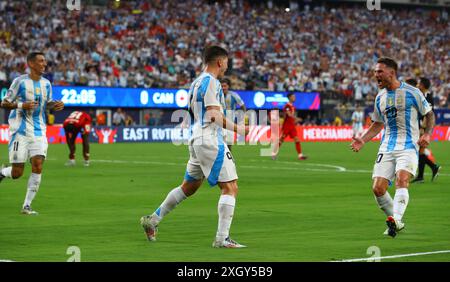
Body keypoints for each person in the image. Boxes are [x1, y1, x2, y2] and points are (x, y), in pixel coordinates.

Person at [140, 45, 249, 248]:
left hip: (196, 137)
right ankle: (222, 239)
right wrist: (239, 129)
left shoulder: (196, 82)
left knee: (189, 187)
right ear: (219, 62)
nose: (227, 65)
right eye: (226, 61)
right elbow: (214, 115)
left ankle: (152, 220)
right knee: (230, 187)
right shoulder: (212, 82)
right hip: (209, 139)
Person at [350, 57, 434, 237]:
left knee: (402, 179)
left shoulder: (412, 92)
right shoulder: (380, 97)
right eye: (375, 72)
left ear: (391, 72)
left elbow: (429, 114)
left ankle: (396, 218)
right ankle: (396, 222)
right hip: (386, 147)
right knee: (378, 188)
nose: (375, 75)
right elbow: (378, 124)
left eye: (379, 71)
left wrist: (427, 133)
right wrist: (363, 140)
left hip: (409, 146)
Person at [0, 52, 65, 215]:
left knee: (38, 164)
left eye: (45, 61)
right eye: (41, 61)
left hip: (39, 131)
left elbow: (46, 104)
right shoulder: (19, 82)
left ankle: (27, 206)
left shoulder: (46, 84)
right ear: (31, 63)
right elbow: (4, 103)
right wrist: (22, 105)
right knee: (17, 173)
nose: (44, 64)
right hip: (19, 132)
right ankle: (2, 172)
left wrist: (54, 105)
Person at [411, 77, 441, 183]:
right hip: (419, 128)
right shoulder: (420, 95)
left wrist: (423, 130)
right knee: (420, 151)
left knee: (420, 151)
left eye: (419, 83)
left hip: (424, 129)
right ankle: (429, 171)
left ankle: (422, 174)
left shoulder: (428, 97)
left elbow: (428, 115)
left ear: (422, 85)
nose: (417, 85)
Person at [272, 92, 307, 160]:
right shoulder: (287, 106)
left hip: (292, 126)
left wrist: (295, 121)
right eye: (293, 97)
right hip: (286, 126)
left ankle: (300, 156)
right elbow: (289, 114)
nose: (294, 98)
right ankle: (273, 154)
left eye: (294, 97)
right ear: (290, 98)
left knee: (297, 140)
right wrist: (296, 118)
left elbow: (291, 116)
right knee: (281, 140)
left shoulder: (293, 106)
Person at [221, 77, 246, 151]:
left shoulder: (233, 95)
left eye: (225, 86)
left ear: (228, 86)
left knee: (229, 143)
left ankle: (229, 160)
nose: (223, 88)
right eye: (221, 86)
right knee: (219, 143)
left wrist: (243, 117)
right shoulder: (217, 95)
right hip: (219, 122)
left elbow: (242, 106)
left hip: (230, 123)